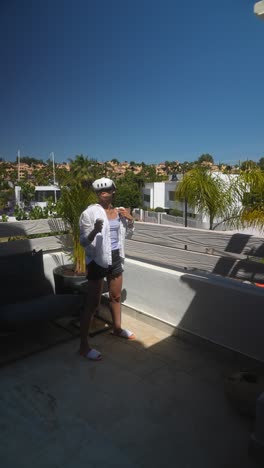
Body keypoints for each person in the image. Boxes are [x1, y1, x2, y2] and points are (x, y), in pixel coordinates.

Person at [79, 177, 135, 360]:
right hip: (97, 260)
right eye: (100, 191)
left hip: (116, 257)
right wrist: (95, 230)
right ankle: (84, 346)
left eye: (108, 190)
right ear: (97, 194)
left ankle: (117, 329)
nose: (104, 193)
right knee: (92, 303)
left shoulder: (120, 212)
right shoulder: (89, 213)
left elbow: (128, 235)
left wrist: (130, 220)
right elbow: (83, 242)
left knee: (116, 296)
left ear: (113, 191)